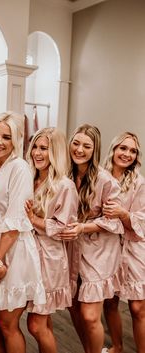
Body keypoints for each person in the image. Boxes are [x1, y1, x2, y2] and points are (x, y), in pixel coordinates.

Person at [0, 111, 46, 353]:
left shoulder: (20, 168)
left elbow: (15, 221)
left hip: (12, 249)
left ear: (16, 140)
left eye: (6, 137)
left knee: (8, 324)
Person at [60, 124, 123, 353]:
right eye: (76, 143)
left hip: (99, 250)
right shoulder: (64, 175)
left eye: (86, 146)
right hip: (70, 247)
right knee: (74, 308)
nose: (79, 149)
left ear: (95, 150)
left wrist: (83, 227)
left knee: (89, 315)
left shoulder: (106, 181)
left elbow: (114, 222)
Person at [24, 127, 78, 353]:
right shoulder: (30, 178)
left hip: (49, 259)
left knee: (35, 324)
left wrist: (33, 219)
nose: (37, 152)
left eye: (43, 148)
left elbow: (60, 227)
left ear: (54, 151)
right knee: (42, 323)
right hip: (30, 254)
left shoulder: (64, 186)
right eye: (35, 147)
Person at [103, 132, 145, 353]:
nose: (127, 154)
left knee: (138, 307)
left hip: (134, 249)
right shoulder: (100, 177)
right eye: (123, 148)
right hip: (106, 248)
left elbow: (142, 221)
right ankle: (117, 347)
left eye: (132, 150)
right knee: (109, 301)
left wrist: (122, 213)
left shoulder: (139, 183)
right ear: (113, 149)